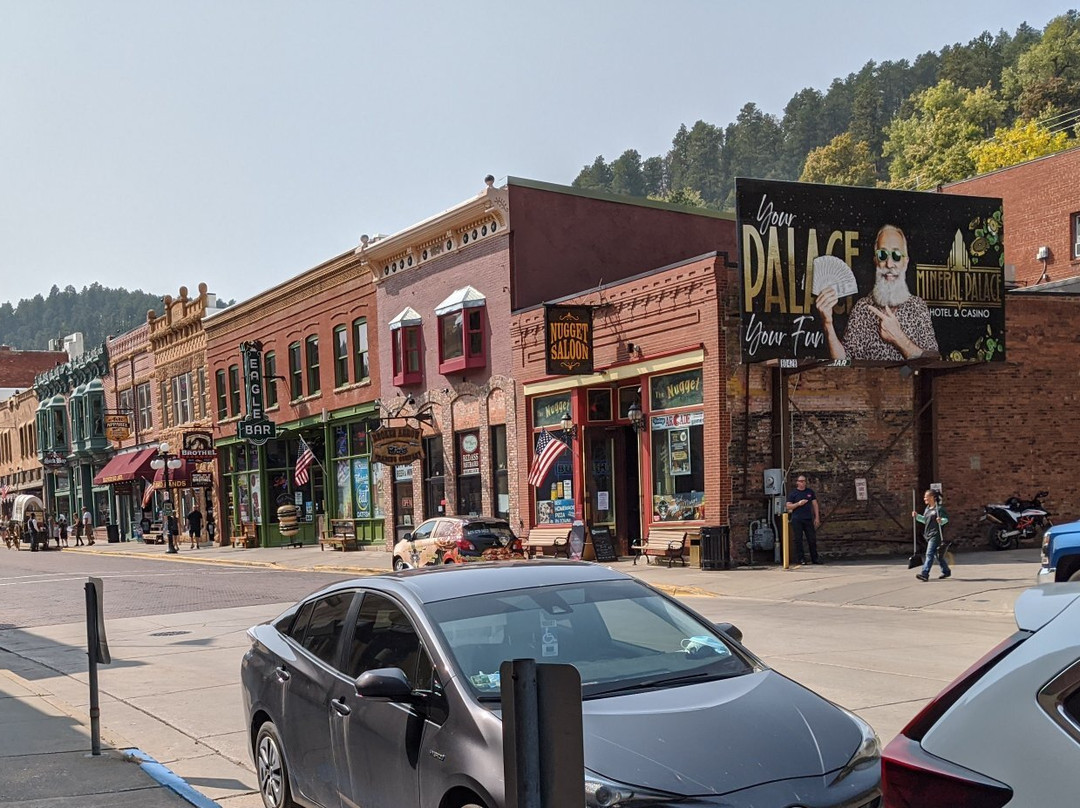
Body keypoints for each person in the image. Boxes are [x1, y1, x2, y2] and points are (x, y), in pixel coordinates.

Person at [815, 224, 940, 362]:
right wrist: (828, 323)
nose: (889, 264)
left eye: (897, 255)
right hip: (869, 383)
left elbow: (933, 362)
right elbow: (843, 363)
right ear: (876, 261)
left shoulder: (918, 307)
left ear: (905, 262)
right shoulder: (862, 308)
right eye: (882, 255)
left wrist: (898, 338)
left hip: (907, 380)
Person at [914, 489, 951, 581]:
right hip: (928, 534)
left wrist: (941, 521)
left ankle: (925, 573)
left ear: (933, 497)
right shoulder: (927, 509)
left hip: (936, 535)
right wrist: (917, 516)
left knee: (929, 554)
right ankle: (946, 571)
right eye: (924, 497)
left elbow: (946, 519)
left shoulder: (939, 509)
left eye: (926, 496)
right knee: (937, 556)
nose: (924, 498)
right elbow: (925, 520)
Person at [786, 474, 821, 564]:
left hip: (808, 518)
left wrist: (817, 517)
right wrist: (798, 504)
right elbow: (788, 506)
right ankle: (801, 559)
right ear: (797, 482)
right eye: (800, 481)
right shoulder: (793, 493)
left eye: (804, 481)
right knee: (798, 539)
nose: (802, 483)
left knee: (812, 539)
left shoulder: (809, 492)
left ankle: (815, 558)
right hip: (797, 519)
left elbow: (815, 504)